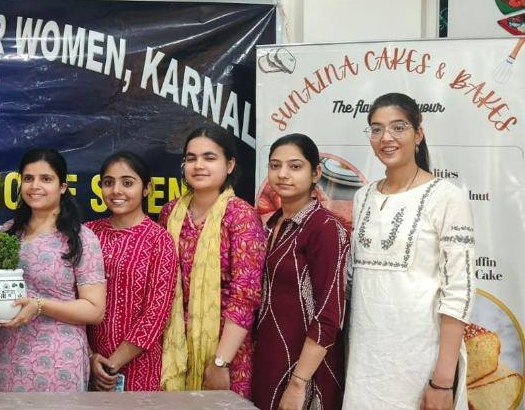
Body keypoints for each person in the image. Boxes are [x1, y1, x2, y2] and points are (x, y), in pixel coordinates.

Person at [342, 93, 475, 410]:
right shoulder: (363, 197)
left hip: (420, 363)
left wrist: (442, 381)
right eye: (376, 129)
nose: (386, 137)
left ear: (418, 133)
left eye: (398, 127)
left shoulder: (446, 196)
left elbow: (459, 292)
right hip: (364, 362)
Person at [158, 124, 266, 398]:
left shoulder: (241, 216)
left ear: (229, 165)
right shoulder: (170, 213)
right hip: (173, 350)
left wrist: (220, 362)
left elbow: (245, 297)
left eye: (209, 158)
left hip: (226, 353)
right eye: (191, 158)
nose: (198, 166)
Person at [0, 148, 107, 392]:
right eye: (28, 178)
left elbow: (95, 310)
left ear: (62, 187)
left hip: (59, 356)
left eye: (46, 179)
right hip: (11, 351)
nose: (35, 186)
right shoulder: (9, 232)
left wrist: (40, 305)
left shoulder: (81, 238)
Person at [251, 134, 349, 410]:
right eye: (275, 165)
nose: (283, 174)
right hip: (268, 359)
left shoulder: (325, 228)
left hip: (307, 371)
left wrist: (298, 383)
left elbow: (329, 316)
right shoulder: (270, 224)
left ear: (316, 173)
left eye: (295, 166)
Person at [87, 151, 178, 392]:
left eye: (127, 183)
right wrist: (91, 357)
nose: (116, 191)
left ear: (146, 189)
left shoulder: (159, 240)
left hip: (140, 366)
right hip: (86, 363)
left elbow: (156, 313)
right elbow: (70, 298)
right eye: (108, 183)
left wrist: (112, 364)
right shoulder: (87, 234)